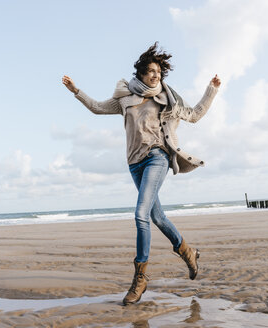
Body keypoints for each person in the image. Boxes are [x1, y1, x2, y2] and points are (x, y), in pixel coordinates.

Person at [62, 42, 221, 305]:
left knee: (140, 214)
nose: (155, 75)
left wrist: (211, 90)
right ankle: (188, 252)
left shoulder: (167, 99)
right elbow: (98, 108)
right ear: (140, 73)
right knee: (157, 216)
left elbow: (194, 115)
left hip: (157, 157)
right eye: (150, 70)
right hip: (134, 163)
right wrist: (76, 91)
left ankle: (140, 278)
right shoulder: (125, 97)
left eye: (158, 71)